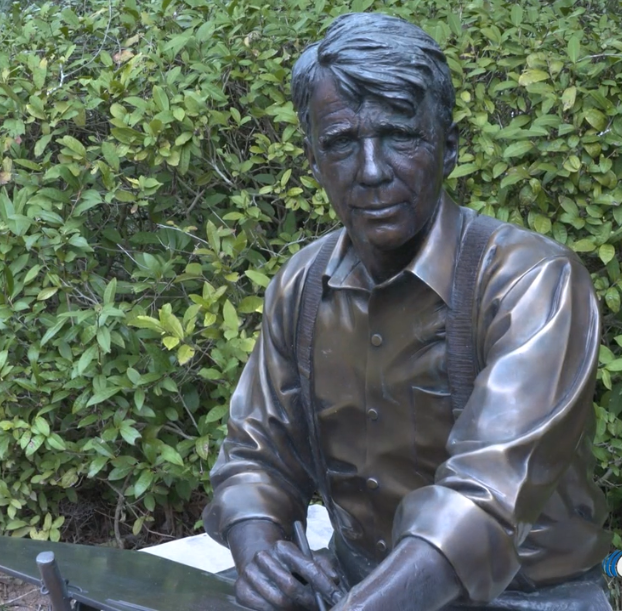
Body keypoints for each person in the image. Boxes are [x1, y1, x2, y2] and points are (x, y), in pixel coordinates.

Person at [202, 12, 612, 611]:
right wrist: (259, 549)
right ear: (314, 160)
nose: (370, 171)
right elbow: (255, 451)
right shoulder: (301, 285)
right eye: (341, 143)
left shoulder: (531, 283)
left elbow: (484, 498)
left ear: (447, 146)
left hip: (526, 598)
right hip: (353, 584)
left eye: (399, 135)